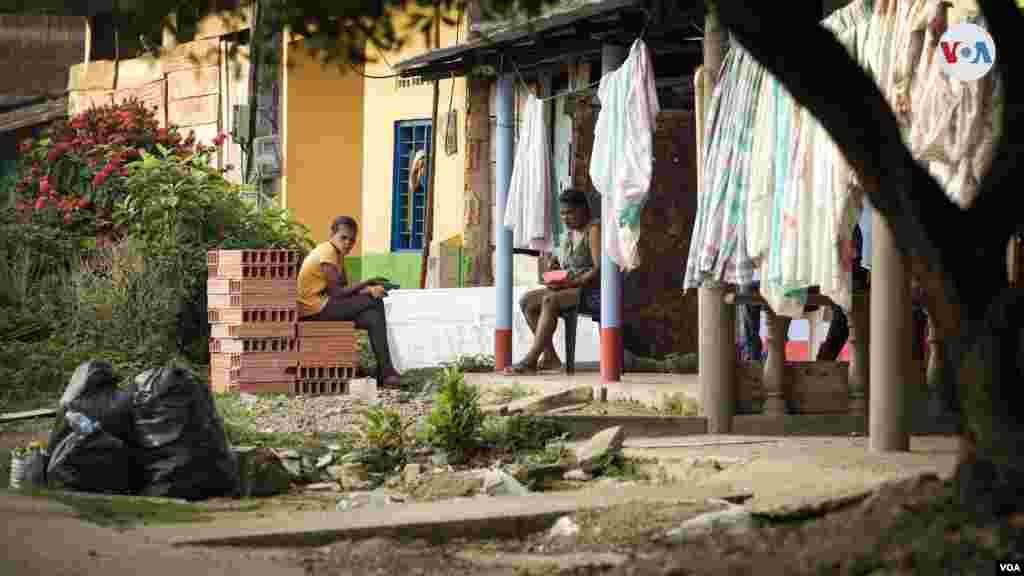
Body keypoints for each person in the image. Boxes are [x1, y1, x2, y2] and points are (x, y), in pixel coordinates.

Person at [297, 216, 401, 387]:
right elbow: (338, 293)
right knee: (374, 302)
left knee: (372, 317)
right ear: (332, 234)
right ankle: (387, 371)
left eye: (352, 240)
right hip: (313, 310)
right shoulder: (327, 253)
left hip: (325, 305)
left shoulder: (337, 254)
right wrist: (368, 284)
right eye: (343, 238)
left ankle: (384, 372)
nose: (347, 243)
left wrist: (368, 289)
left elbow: (345, 288)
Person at [507, 188, 600, 374]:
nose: (565, 218)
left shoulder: (594, 230)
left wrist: (571, 283)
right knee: (527, 301)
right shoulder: (569, 235)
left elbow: (599, 270)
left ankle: (531, 359)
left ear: (583, 209)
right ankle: (550, 357)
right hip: (567, 288)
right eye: (562, 213)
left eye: (570, 213)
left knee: (549, 300)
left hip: (590, 292)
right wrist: (554, 268)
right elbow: (565, 265)